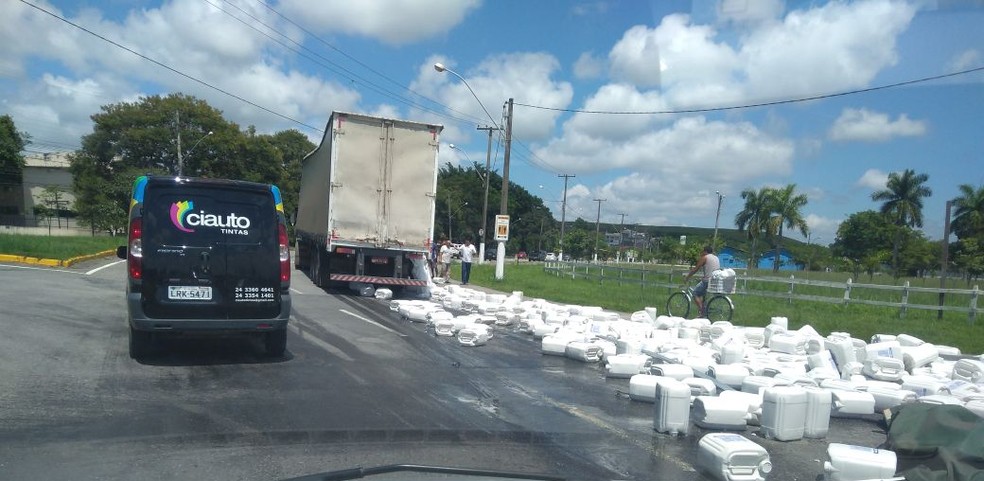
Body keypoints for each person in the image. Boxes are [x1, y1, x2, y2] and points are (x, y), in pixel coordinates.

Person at [685, 245, 720, 317]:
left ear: (705, 251)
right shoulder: (716, 258)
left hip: (707, 280)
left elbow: (696, 269)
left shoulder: (705, 257)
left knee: (695, 294)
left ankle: (702, 312)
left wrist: (687, 277)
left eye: (703, 251)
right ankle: (704, 310)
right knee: (703, 295)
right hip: (716, 280)